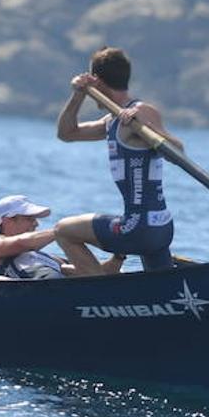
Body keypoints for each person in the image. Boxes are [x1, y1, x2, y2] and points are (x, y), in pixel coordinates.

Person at [54, 46, 179, 275]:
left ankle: (100, 290)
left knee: (63, 230)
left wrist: (148, 129)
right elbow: (66, 133)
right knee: (163, 291)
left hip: (139, 228)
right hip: (158, 229)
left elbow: (177, 152)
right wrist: (78, 95)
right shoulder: (112, 120)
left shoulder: (141, 112)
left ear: (98, 82)